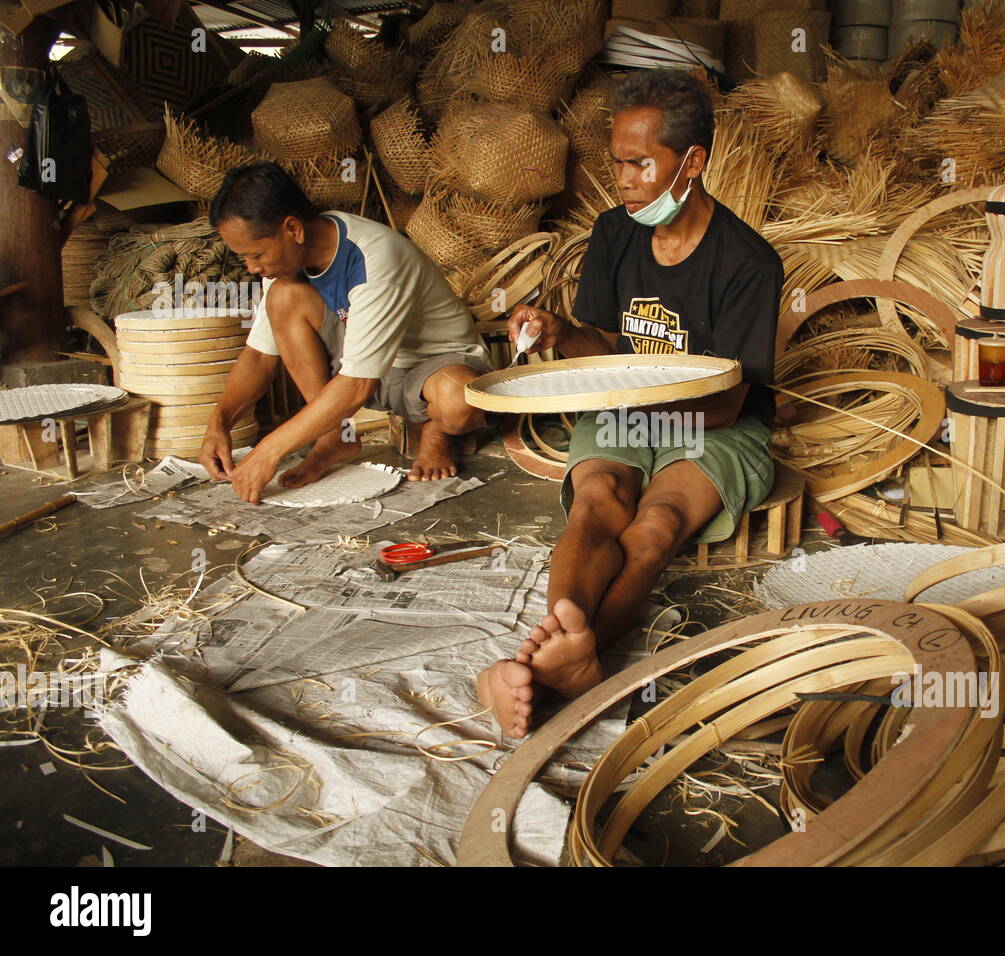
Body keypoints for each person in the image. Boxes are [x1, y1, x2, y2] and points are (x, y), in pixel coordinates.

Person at [478, 69, 783, 738]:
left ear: (692, 162)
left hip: (717, 424)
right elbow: (604, 344)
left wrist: (641, 406)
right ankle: (565, 643)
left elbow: (728, 406)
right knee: (598, 505)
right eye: (617, 163)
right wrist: (560, 334)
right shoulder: (615, 235)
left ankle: (563, 662)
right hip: (625, 407)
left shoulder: (747, 263)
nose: (624, 179)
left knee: (655, 524)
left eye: (640, 163)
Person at [199, 162, 491, 502]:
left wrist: (268, 450)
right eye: (245, 259)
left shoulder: (374, 256)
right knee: (284, 295)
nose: (252, 268)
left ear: (292, 229)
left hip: (433, 365)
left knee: (459, 401)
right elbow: (260, 356)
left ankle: (437, 434)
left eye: (256, 255)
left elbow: (356, 386)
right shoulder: (283, 264)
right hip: (368, 370)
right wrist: (218, 422)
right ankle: (335, 436)